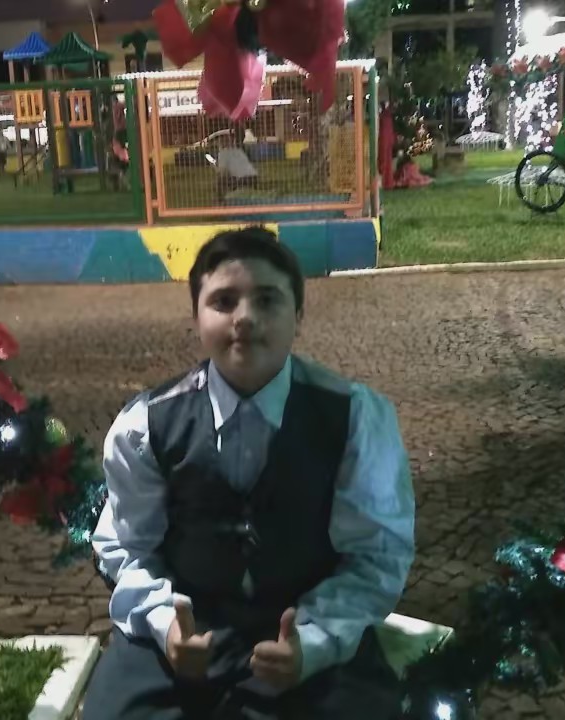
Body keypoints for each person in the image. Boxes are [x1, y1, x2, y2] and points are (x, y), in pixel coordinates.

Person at [83, 226, 415, 720]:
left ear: (298, 315)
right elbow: (129, 547)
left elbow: (375, 555)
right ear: (196, 316)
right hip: (186, 629)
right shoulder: (146, 425)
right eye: (223, 301)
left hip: (305, 625)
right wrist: (166, 627)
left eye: (267, 300)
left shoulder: (352, 418)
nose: (244, 317)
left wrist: (314, 643)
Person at [216, 128, 259, 200]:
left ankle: (221, 200)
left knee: (220, 180)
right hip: (253, 178)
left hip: (240, 179)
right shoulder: (239, 151)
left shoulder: (223, 153)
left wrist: (216, 168)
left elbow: (222, 171)